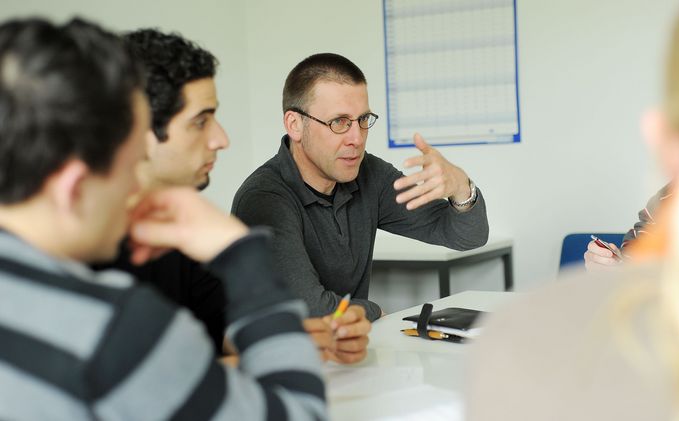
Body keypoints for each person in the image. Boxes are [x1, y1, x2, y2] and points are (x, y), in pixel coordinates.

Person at [0, 18, 325, 420]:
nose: (133, 180)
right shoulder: (112, 325)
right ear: (74, 187)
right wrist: (243, 257)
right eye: (129, 160)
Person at [468, 0, 679, 420]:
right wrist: (618, 268)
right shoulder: (669, 202)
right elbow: (638, 248)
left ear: (662, 133)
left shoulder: (519, 346)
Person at [98, 29, 370, 364]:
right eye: (200, 122)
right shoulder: (84, 249)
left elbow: (219, 329)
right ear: (135, 131)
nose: (221, 139)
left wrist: (304, 337)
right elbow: (143, 383)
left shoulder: (179, 225)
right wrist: (274, 353)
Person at [232, 53, 490, 320]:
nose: (356, 138)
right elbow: (312, 311)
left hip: (349, 352)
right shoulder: (263, 198)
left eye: (363, 120)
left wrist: (460, 186)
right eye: (339, 122)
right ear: (295, 125)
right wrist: (374, 310)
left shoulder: (369, 174)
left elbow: (468, 237)